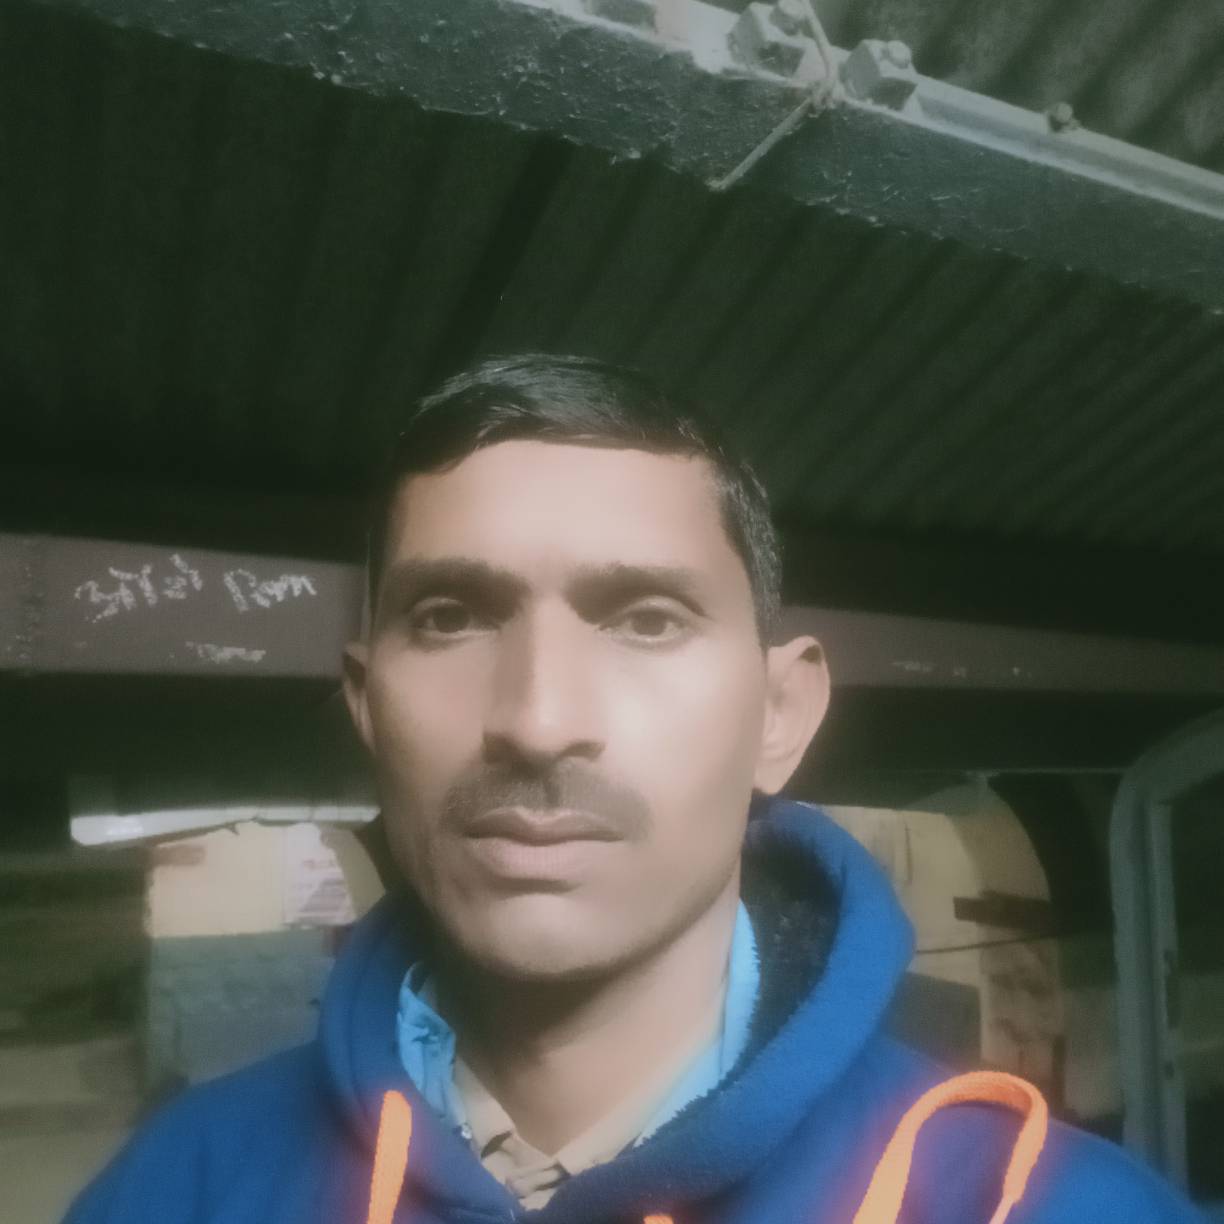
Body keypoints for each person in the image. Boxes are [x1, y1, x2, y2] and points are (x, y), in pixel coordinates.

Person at [66, 354, 1202, 1223]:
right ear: (366, 706)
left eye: (646, 620)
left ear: (780, 714)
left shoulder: (1042, 1206)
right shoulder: (180, 1189)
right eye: (450, 617)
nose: (536, 720)